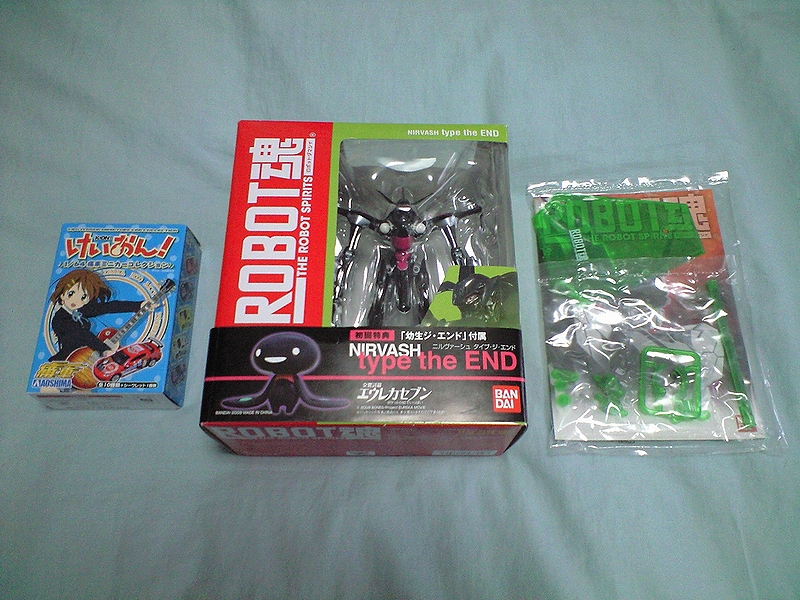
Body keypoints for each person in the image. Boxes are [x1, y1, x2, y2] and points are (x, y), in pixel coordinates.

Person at [48, 269, 142, 361]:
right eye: (71, 294)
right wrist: (103, 349)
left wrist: (138, 305)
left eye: (83, 297)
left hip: (89, 355)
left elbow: (108, 307)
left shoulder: (79, 310)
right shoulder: (60, 319)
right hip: (70, 359)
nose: (75, 301)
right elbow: (83, 335)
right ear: (62, 294)